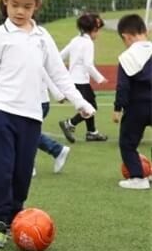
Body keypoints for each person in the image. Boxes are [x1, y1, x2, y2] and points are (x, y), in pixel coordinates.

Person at [0, 0, 95, 248]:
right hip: (1, 112)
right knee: (3, 170)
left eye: (27, 7)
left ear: (36, 6)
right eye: (14, 5)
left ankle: (17, 216)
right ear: (5, 1)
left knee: (22, 172)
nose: (19, 11)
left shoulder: (42, 36)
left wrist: (80, 103)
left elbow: (59, 74)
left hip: (31, 116)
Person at [112, 14, 152, 190]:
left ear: (125, 36)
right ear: (145, 31)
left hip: (137, 107)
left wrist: (118, 108)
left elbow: (123, 86)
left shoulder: (127, 57)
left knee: (127, 143)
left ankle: (137, 177)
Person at [58, 13, 108, 143]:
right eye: (97, 30)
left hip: (73, 81)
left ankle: (92, 132)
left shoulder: (75, 40)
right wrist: (100, 78)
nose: (98, 34)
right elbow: (88, 65)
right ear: (93, 30)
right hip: (81, 81)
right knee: (91, 107)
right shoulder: (88, 43)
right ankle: (69, 123)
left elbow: (60, 56)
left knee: (90, 104)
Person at [37, 71, 71, 174]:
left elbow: (44, 73)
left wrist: (58, 95)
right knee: (27, 133)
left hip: (38, 103)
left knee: (27, 133)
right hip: (33, 102)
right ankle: (58, 150)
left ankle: (28, 167)